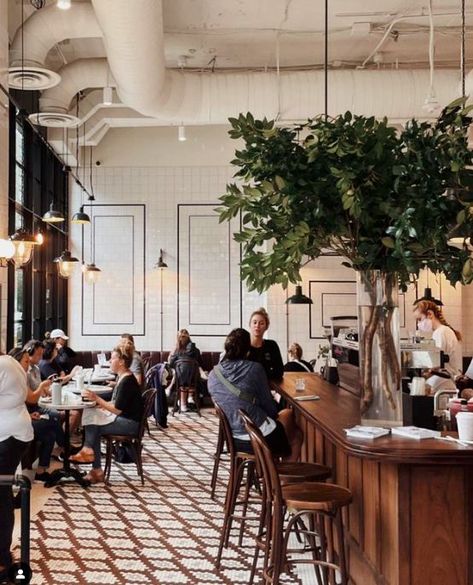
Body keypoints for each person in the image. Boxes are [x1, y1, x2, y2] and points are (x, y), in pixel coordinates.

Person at [208, 328, 302, 462]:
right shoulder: (255, 369)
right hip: (259, 438)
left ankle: (269, 474)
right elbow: (271, 409)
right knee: (294, 429)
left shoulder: (213, 375)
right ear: (248, 350)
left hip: (232, 441)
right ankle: (279, 480)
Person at [70, 345, 144, 484]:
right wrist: (98, 404)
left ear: (121, 361)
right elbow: (118, 403)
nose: (110, 361)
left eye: (113, 358)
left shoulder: (127, 380)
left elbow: (117, 409)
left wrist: (97, 399)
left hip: (130, 424)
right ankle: (95, 467)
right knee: (91, 413)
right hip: (126, 418)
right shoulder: (124, 377)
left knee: (94, 425)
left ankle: (94, 465)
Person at [0, 355, 33, 581]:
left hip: (9, 436)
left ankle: (2, 558)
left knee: (0, 495)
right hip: (16, 432)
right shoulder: (9, 361)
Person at [9, 348, 61, 482]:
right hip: (13, 424)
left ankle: (41, 471)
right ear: (15, 363)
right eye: (26, 361)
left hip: (24, 416)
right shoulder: (14, 379)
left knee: (50, 434)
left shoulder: (22, 376)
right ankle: (64, 446)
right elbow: (29, 399)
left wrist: (30, 414)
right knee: (54, 418)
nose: (28, 365)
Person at [413, 300, 462, 394]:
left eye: (420, 319)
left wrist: (427, 372)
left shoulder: (441, 332)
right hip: (443, 381)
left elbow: (438, 362)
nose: (419, 324)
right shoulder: (440, 331)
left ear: (430, 314)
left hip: (444, 382)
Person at [168, 329, 202, 412]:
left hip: (180, 379)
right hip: (194, 379)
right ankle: (190, 397)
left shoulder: (177, 351)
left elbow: (171, 364)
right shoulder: (196, 350)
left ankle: (182, 404)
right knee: (186, 376)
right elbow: (200, 362)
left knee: (181, 377)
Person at [247, 308, 284, 382]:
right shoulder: (242, 345)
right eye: (254, 322)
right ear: (250, 325)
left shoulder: (272, 345)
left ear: (266, 327)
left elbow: (280, 371)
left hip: (267, 387)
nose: (257, 326)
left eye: (261, 323)